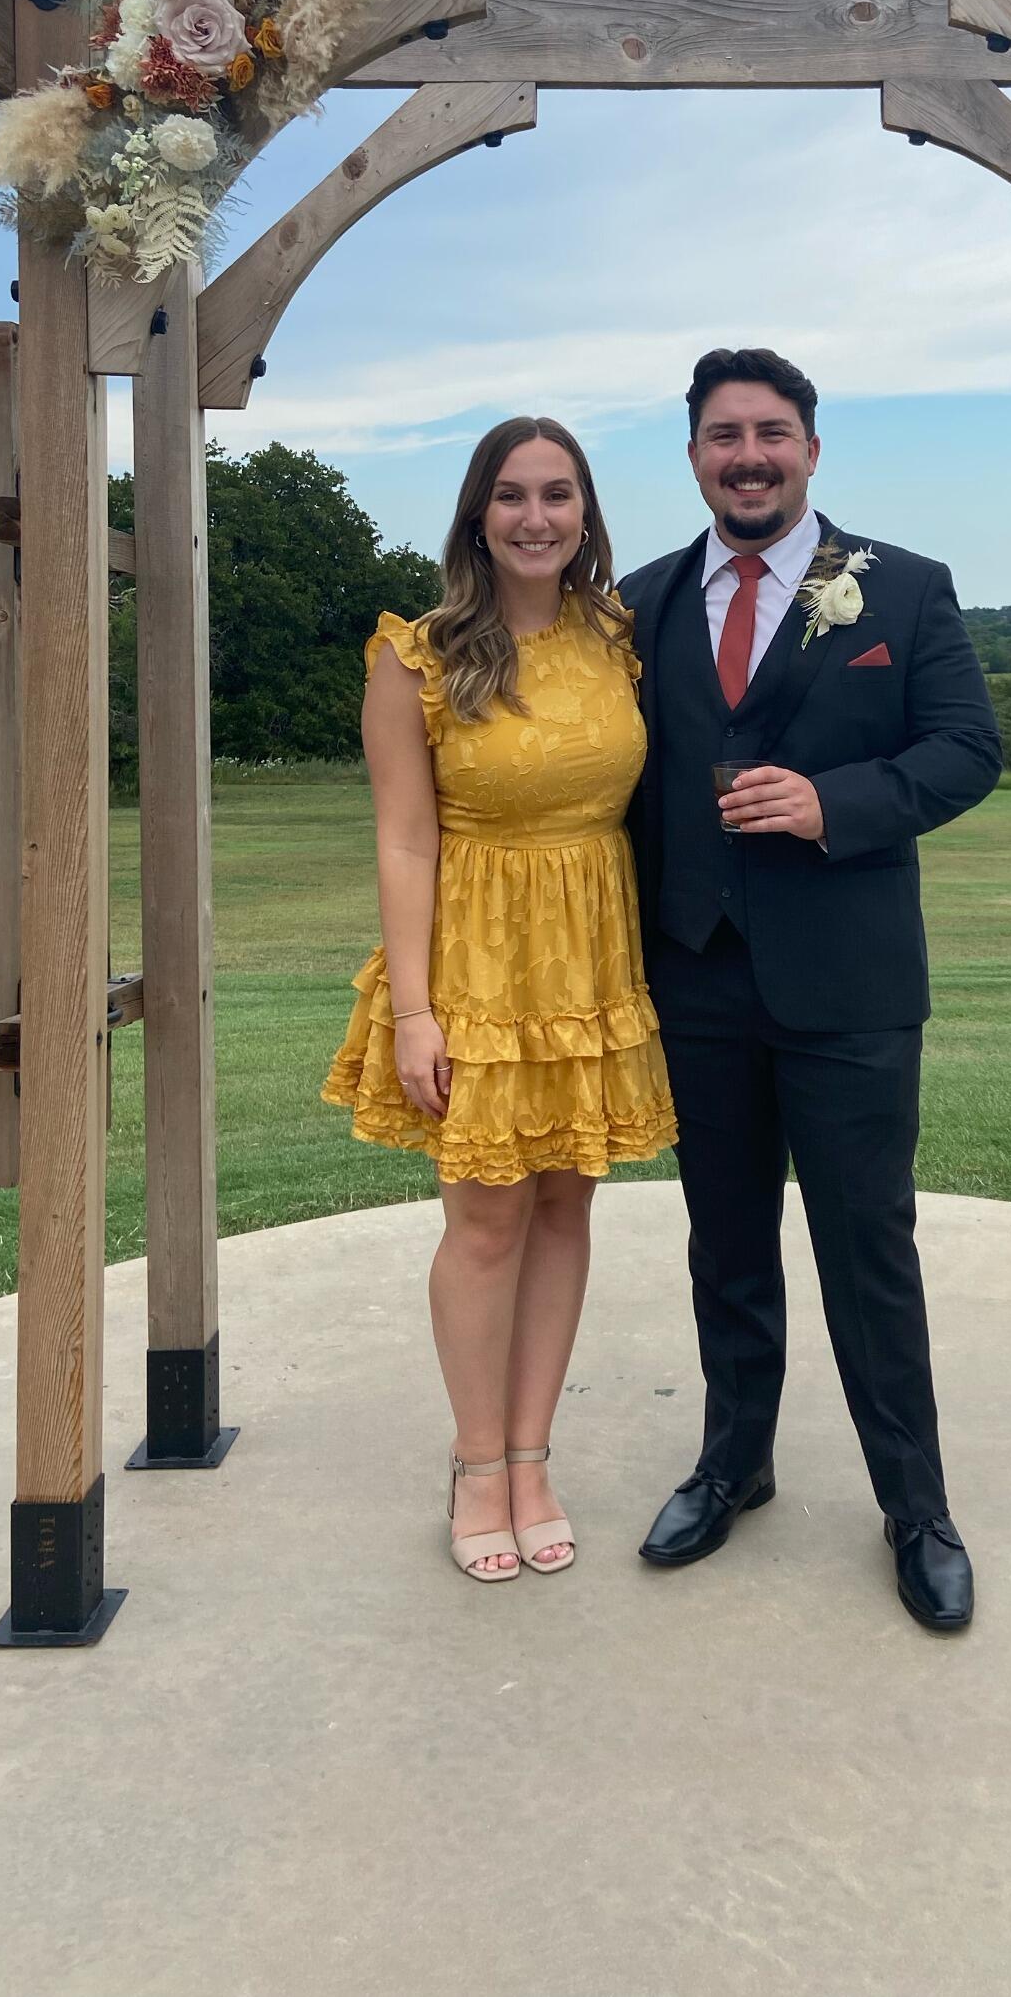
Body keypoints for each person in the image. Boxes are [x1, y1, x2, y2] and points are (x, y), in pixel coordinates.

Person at [621, 348, 1001, 1631]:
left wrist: (833, 802)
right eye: (724, 435)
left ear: (812, 450)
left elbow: (968, 750)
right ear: (694, 456)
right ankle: (735, 1463)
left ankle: (918, 1507)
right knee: (725, 1243)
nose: (749, 456)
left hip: (848, 988)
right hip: (697, 980)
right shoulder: (639, 603)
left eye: (771, 432)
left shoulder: (903, 588)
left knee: (866, 1248)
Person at [322, 417, 677, 1582]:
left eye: (557, 494)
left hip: (589, 963)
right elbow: (403, 839)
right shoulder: (417, 655)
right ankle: (477, 1464)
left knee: (567, 1208)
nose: (536, 517)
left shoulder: (619, 638)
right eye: (513, 495)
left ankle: (533, 1457)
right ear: (479, 513)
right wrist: (417, 1011)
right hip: (474, 960)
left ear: (586, 512)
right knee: (485, 1222)